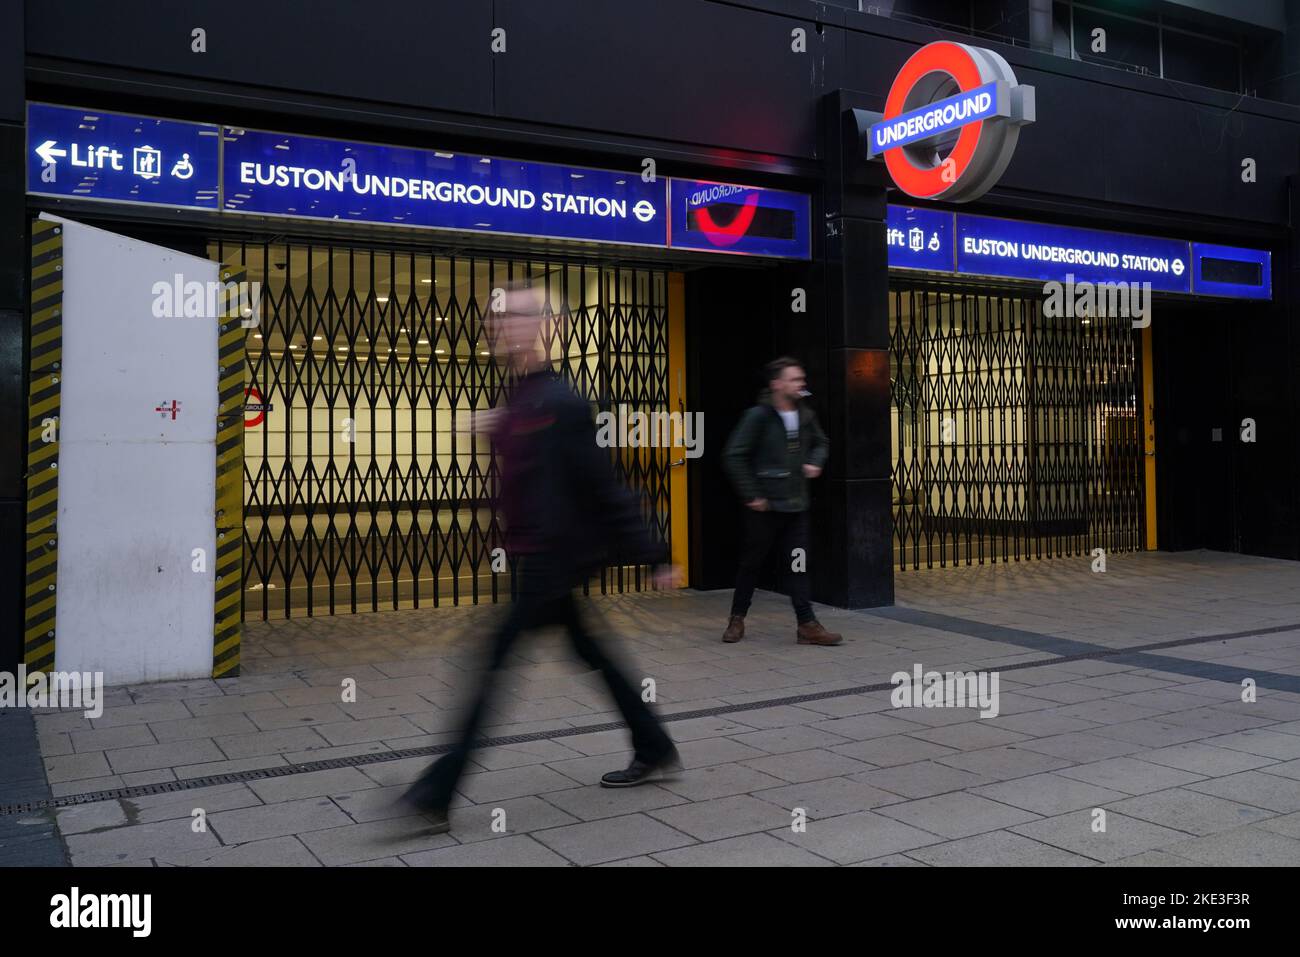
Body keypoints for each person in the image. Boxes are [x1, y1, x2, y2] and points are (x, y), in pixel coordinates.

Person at [400, 281, 680, 834]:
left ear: (547, 327)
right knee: (592, 652)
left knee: (489, 664)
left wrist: (656, 555)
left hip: (553, 559)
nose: (504, 324)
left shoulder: (563, 401)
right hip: (537, 557)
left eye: (519, 315)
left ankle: (437, 791)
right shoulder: (523, 396)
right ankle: (653, 743)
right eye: (499, 316)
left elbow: (606, 484)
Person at [720, 357, 842, 646]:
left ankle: (807, 625)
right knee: (752, 564)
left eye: (801, 379)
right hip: (765, 507)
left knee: (798, 565)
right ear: (777, 384)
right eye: (794, 379)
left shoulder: (805, 415)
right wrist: (752, 494)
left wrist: (815, 461)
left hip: (796, 505)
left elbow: (822, 442)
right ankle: (737, 619)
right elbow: (733, 455)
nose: (800, 384)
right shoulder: (758, 416)